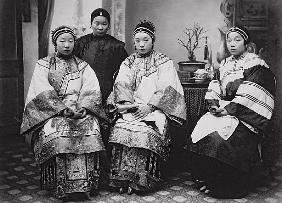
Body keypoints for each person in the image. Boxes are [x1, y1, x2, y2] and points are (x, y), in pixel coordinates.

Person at [20, 25, 107, 199]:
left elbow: (91, 89)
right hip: (54, 113)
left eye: (70, 41)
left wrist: (84, 107)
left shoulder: (83, 66)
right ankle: (59, 184)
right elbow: (42, 92)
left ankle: (87, 183)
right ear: (55, 43)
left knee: (92, 128)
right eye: (62, 41)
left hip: (80, 110)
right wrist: (62, 110)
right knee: (56, 132)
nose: (67, 45)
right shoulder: (43, 64)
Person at [189, 26, 276, 198]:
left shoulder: (256, 64)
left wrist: (229, 109)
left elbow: (253, 92)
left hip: (243, 115)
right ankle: (209, 177)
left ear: (247, 43)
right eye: (229, 40)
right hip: (223, 110)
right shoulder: (225, 64)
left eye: (237, 40)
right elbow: (215, 85)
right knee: (202, 130)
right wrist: (214, 105)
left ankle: (226, 185)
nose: (232, 44)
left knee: (221, 138)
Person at [106, 20, 187, 194]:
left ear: (153, 41)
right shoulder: (128, 62)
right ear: (133, 42)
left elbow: (167, 87)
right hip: (132, 108)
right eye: (137, 41)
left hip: (155, 110)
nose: (141, 44)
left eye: (146, 40)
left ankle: (142, 180)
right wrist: (127, 105)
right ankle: (121, 178)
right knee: (121, 128)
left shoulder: (163, 61)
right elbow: (121, 83)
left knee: (145, 132)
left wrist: (150, 107)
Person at [73, 8, 128, 105]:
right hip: (85, 89)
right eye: (97, 23)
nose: (100, 27)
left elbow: (124, 71)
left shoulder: (116, 46)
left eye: (104, 24)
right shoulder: (80, 44)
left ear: (109, 26)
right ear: (91, 24)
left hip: (109, 91)